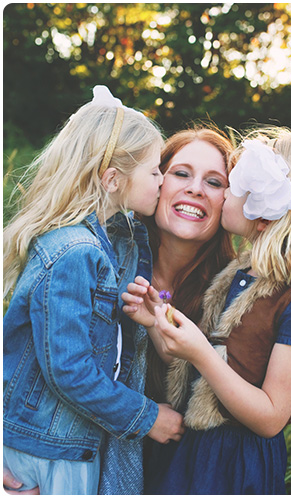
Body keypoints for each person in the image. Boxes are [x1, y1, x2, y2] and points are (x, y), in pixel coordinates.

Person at [129, 127, 291, 494]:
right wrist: (155, 324)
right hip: (186, 453)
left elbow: (271, 417)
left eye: (234, 185)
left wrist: (200, 351)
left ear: (264, 213)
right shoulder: (233, 277)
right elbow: (191, 368)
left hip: (233, 465)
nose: (222, 193)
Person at [2, 85, 186, 495]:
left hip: (68, 441)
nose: (162, 181)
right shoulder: (74, 253)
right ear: (112, 179)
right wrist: (146, 417)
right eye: (155, 171)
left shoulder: (114, 241)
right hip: (50, 450)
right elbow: (68, 368)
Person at [98, 124, 236, 494]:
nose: (195, 189)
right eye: (181, 173)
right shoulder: (102, 256)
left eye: (214, 182)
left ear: (232, 200)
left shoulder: (235, 293)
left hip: (179, 474)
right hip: (81, 456)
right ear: (155, 180)